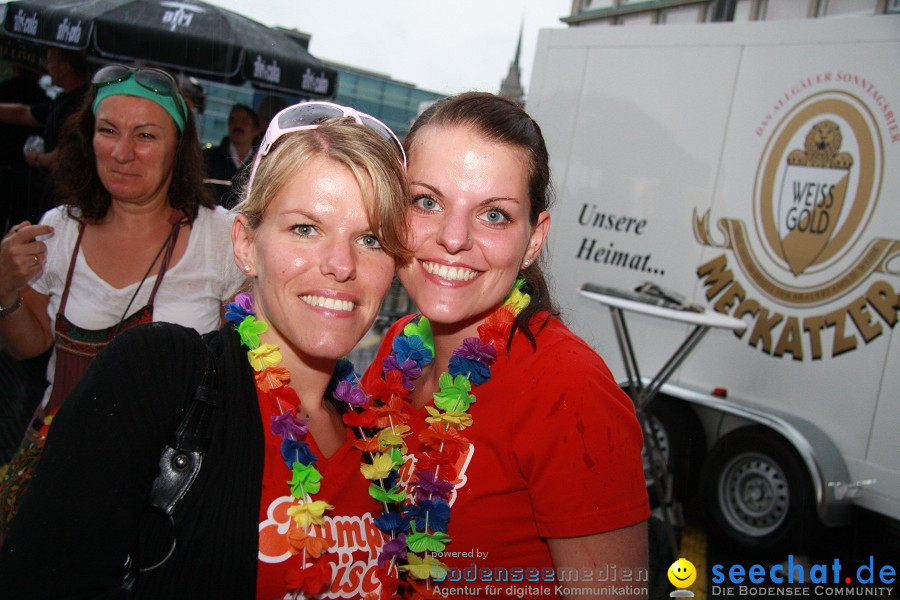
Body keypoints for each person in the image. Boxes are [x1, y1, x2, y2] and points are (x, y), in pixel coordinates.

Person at [0, 102, 411, 599]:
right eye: (305, 228)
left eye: (370, 238)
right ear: (243, 243)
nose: (341, 265)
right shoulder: (161, 372)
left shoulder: (379, 436)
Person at [359, 92, 651, 599]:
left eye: (493, 215)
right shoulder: (398, 348)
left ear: (533, 239)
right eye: (427, 202)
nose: (453, 238)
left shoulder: (568, 387)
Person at [0, 64, 245, 537]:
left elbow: (247, 363)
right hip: (56, 473)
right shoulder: (60, 230)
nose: (121, 152)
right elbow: (26, 346)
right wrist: (5, 290)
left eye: (146, 135)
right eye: (108, 130)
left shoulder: (220, 240)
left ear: (179, 147)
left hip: (160, 491)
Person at [0, 48, 91, 223]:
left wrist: (38, 159)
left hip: (65, 189)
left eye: (50, 61)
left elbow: (71, 149)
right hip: (49, 185)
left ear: (65, 67)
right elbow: (25, 113)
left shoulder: (81, 102)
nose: (47, 67)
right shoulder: (62, 98)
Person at [204, 102, 260, 208]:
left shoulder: (262, 164)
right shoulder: (208, 158)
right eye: (232, 121)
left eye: (244, 122)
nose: (237, 126)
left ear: (256, 130)